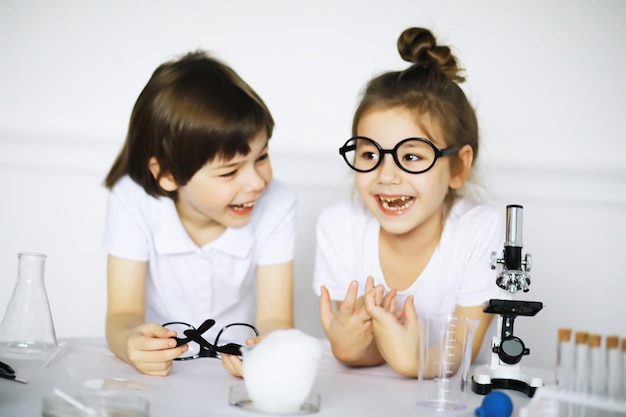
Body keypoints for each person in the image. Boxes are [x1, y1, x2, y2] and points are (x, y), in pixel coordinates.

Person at [313, 27, 506, 377]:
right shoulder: (340, 226)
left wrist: (412, 360)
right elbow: (365, 351)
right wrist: (349, 347)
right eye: (370, 154)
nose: (386, 176)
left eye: (412, 157)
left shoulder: (480, 230)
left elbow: (460, 349)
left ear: (458, 167)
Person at [103, 51, 296, 378]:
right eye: (229, 172)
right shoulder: (131, 200)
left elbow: (276, 319)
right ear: (167, 174)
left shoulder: (277, 202)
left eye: (261, 157)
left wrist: (269, 351)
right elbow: (122, 314)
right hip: (161, 378)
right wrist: (129, 343)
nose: (257, 181)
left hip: (231, 377)